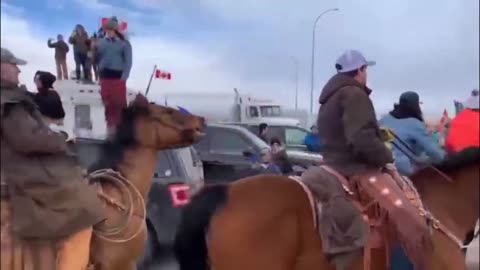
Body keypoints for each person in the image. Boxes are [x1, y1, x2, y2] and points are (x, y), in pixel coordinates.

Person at [315, 50, 431, 270]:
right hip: (356, 168)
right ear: (360, 70)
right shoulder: (355, 95)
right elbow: (361, 139)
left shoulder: (329, 98)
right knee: (408, 220)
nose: (366, 74)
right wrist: (386, 155)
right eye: (365, 69)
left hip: (332, 165)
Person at [0, 47, 103, 270]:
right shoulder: (10, 102)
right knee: (84, 217)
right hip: (28, 177)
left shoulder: (16, 99)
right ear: (2, 68)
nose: (18, 70)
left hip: (22, 171)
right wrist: (59, 140)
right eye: (14, 65)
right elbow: (26, 140)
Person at [379, 91, 445, 176]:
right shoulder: (414, 124)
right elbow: (435, 153)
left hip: (381, 168)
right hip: (404, 171)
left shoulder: (383, 120)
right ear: (416, 106)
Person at [94, 16, 132, 135]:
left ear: (116, 31)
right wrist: (93, 52)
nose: (108, 32)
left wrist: (123, 78)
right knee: (107, 104)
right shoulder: (102, 43)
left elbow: (128, 62)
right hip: (105, 78)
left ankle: (122, 132)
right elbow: (96, 58)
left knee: (119, 106)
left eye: (110, 30)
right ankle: (110, 131)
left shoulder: (124, 44)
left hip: (117, 78)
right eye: (107, 30)